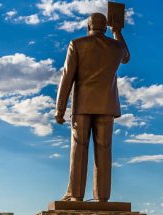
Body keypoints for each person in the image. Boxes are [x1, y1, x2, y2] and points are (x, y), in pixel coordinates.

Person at [54, 12, 130, 202]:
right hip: (106, 106)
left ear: (88, 27)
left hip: (83, 106)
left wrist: (60, 109)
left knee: (79, 149)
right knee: (104, 150)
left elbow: (67, 77)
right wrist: (117, 32)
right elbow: (126, 57)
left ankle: (75, 195)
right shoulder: (116, 46)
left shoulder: (78, 44)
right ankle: (102, 197)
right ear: (105, 28)